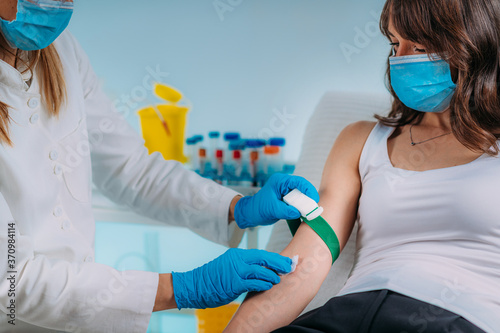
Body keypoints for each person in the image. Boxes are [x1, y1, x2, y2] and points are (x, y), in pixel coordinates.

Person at [0, 1, 320, 332]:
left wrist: (236, 207)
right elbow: (12, 281)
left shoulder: (62, 51)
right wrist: (181, 289)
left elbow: (132, 169)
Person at [225, 0, 500, 332]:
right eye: (395, 44)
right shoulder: (361, 140)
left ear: (474, 43)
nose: (401, 60)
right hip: (344, 315)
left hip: (457, 317)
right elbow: (307, 258)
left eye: (420, 46)